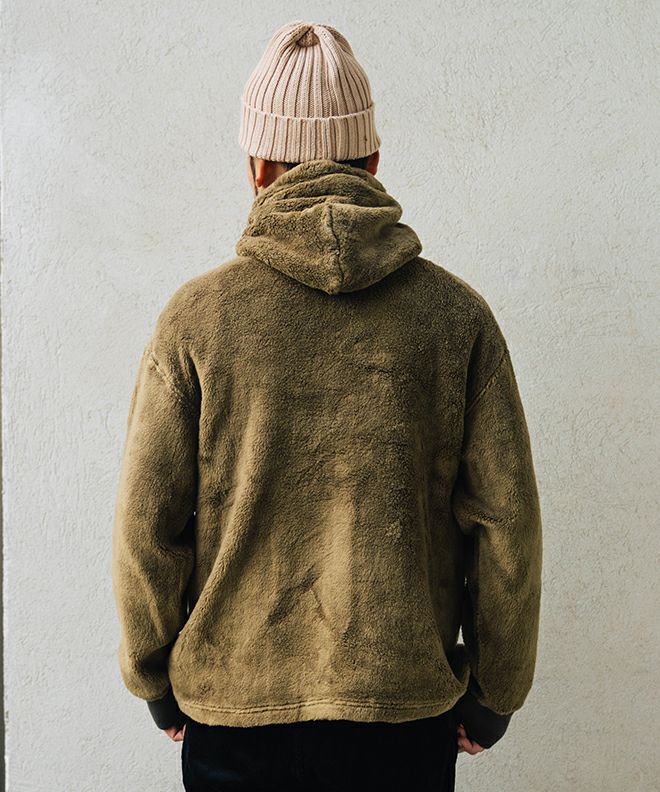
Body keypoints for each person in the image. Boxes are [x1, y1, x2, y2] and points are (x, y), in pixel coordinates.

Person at [111, 19, 543, 792]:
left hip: (236, 713)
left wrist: (153, 676)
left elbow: (147, 524)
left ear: (257, 166)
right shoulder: (456, 319)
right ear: (372, 161)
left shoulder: (196, 320)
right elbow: (506, 528)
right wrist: (495, 693)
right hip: (402, 714)